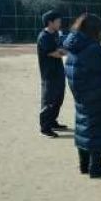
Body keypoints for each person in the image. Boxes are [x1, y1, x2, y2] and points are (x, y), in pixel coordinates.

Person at [64, 13, 101, 178]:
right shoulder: (91, 48)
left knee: (83, 128)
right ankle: (96, 167)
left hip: (81, 94)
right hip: (96, 93)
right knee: (97, 130)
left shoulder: (73, 45)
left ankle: (84, 165)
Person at [37, 10, 67, 138]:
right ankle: (45, 127)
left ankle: (53, 122)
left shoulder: (55, 34)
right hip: (49, 74)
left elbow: (61, 48)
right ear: (50, 22)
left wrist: (63, 50)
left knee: (58, 99)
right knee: (49, 100)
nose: (60, 23)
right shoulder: (44, 37)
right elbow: (55, 53)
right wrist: (67, 52)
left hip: (58, 71)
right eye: (58, 21)